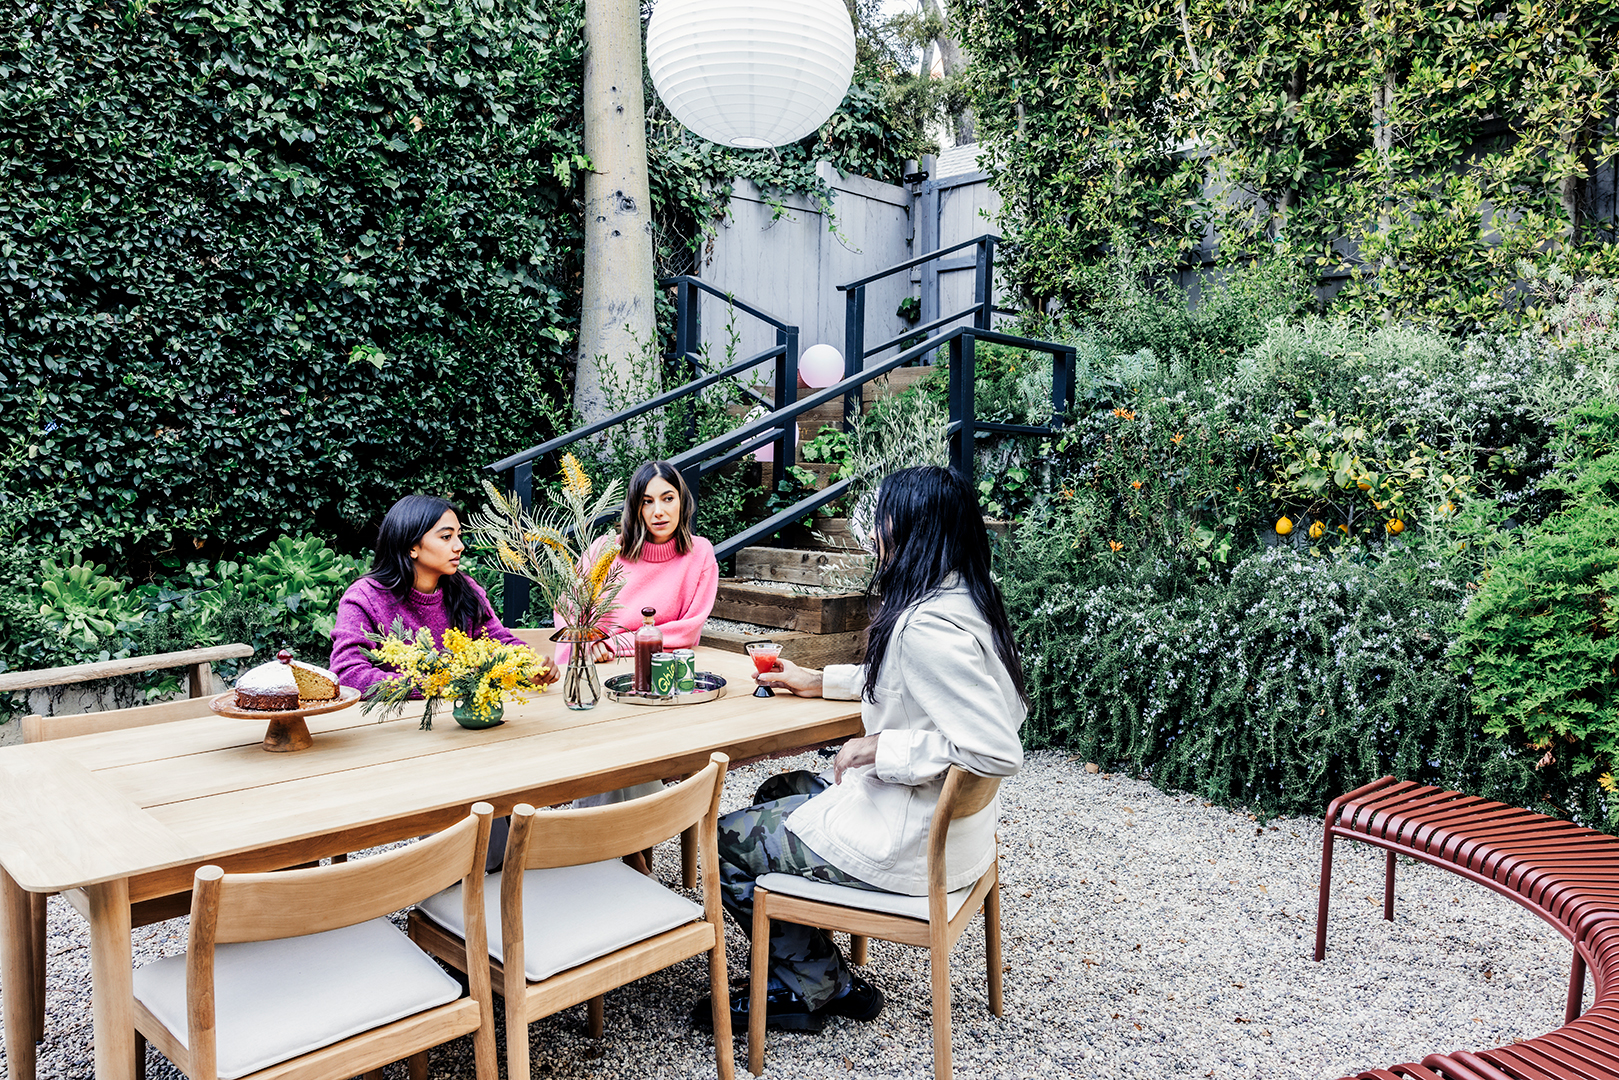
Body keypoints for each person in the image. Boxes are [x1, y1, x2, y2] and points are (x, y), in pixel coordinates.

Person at [698, 465, 1028, 1033]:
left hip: (913, 841)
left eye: (883, 521)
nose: (874, 533)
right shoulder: (968, 602)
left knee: (724, 839)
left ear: (914, 531)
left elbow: (997, 748)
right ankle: (816, 967)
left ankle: (813, 984)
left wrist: (881, 747)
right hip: (954, 838)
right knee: (784, 789)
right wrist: (817, 679)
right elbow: (911, 683)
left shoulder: (927, 627)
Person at [329, 493, 556, 692]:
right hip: (391, 727)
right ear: (411, 547)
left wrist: (528, 666)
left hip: (464, 719)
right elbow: (347, 675)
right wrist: (436, 684)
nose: (459, 546)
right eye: (446, 537)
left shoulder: (465, 590)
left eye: (458, 535)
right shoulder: (364, 599)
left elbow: (499, 640)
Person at [554, 460, 719, 665]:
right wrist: (589, 642)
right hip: (593, 664)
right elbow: (567, 606)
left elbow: (687, 630)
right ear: (635, 507)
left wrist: (613, 643)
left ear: (682, 501)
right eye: (647, 501)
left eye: (668, 498)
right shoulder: (604, 549)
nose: (658, 511)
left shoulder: (699, 554)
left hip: (661, 666)